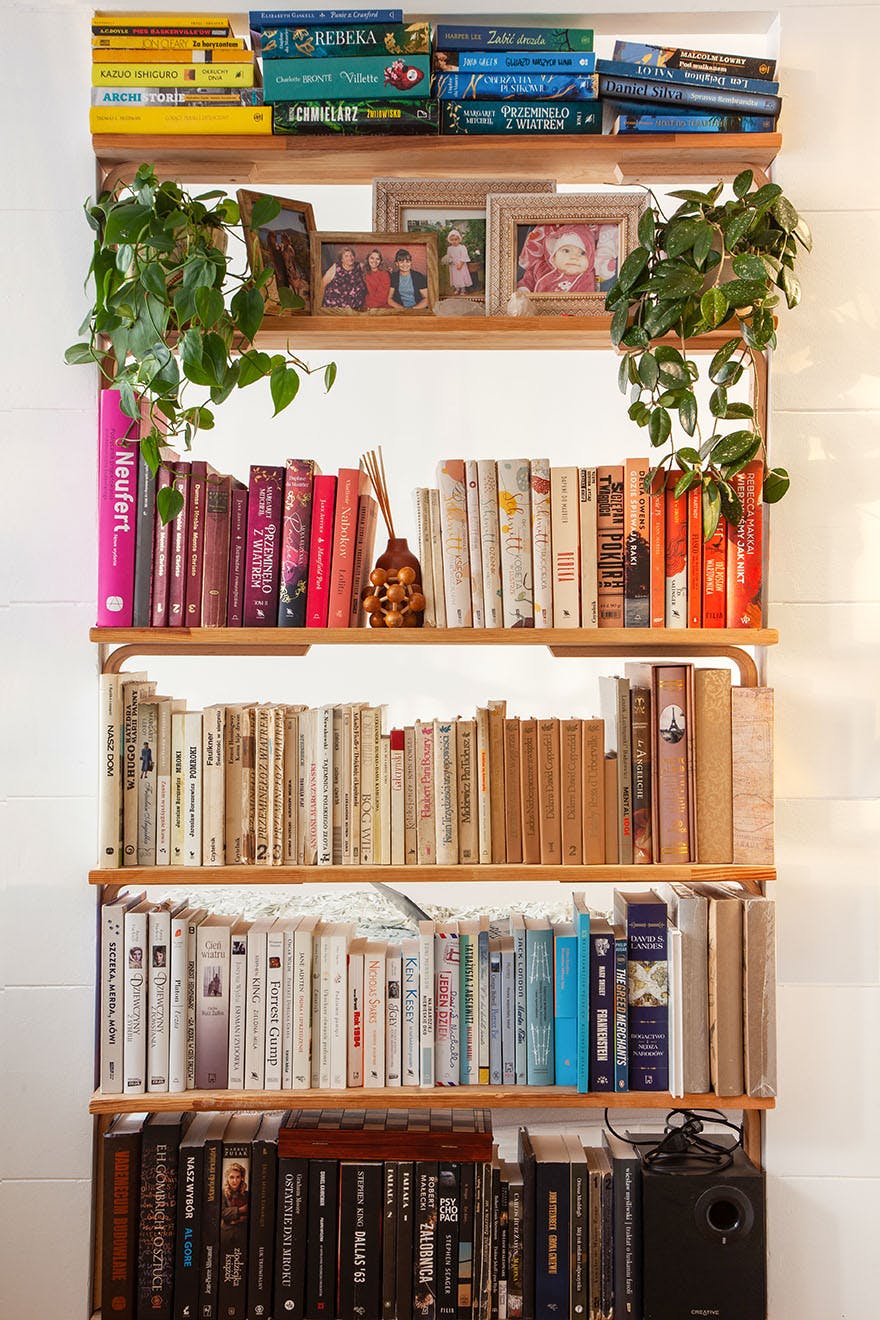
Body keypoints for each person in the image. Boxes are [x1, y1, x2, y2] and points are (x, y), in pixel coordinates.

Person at [516, 223, 619, 295]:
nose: (574, 257)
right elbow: (527, 281)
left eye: (582, 253)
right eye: (566, 251)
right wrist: (524, 291)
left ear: (590, 260)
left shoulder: (586, 279)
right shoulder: (540, 268)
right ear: (553, 255)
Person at [321, 245, 367, 311]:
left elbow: (372, 270)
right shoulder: (336, 267)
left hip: (355, 307)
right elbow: (322, 284)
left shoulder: (359, 266)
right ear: (341, 259)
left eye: (351, 255)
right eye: (346, 256)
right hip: (335, 306)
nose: (350, 258)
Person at [441, 228, 473, 294]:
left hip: (460, 265)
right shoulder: (449, 248)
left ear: (459, 239)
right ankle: (457, 288)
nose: (454, 241)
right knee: (455, 277)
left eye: (456, 239)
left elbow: (464, 256)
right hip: (453, 265)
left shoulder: (462, 247)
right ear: (449, 240)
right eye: (452, 240)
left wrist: (461, 263)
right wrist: (449, 260)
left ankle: (463, 289)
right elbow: (449, 256)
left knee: (461, 276)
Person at [221, 1162, 249, 1232]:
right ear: (227, 1178)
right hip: (226, 1232)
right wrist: (241, 1210)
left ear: (242, 1178)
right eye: (231, 1177)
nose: (235, 1181)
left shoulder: (247, 1194)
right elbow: (222, 1213)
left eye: (238, 1177)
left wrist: (241, 1219)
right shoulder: (222, 1194)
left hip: (243, 1231)